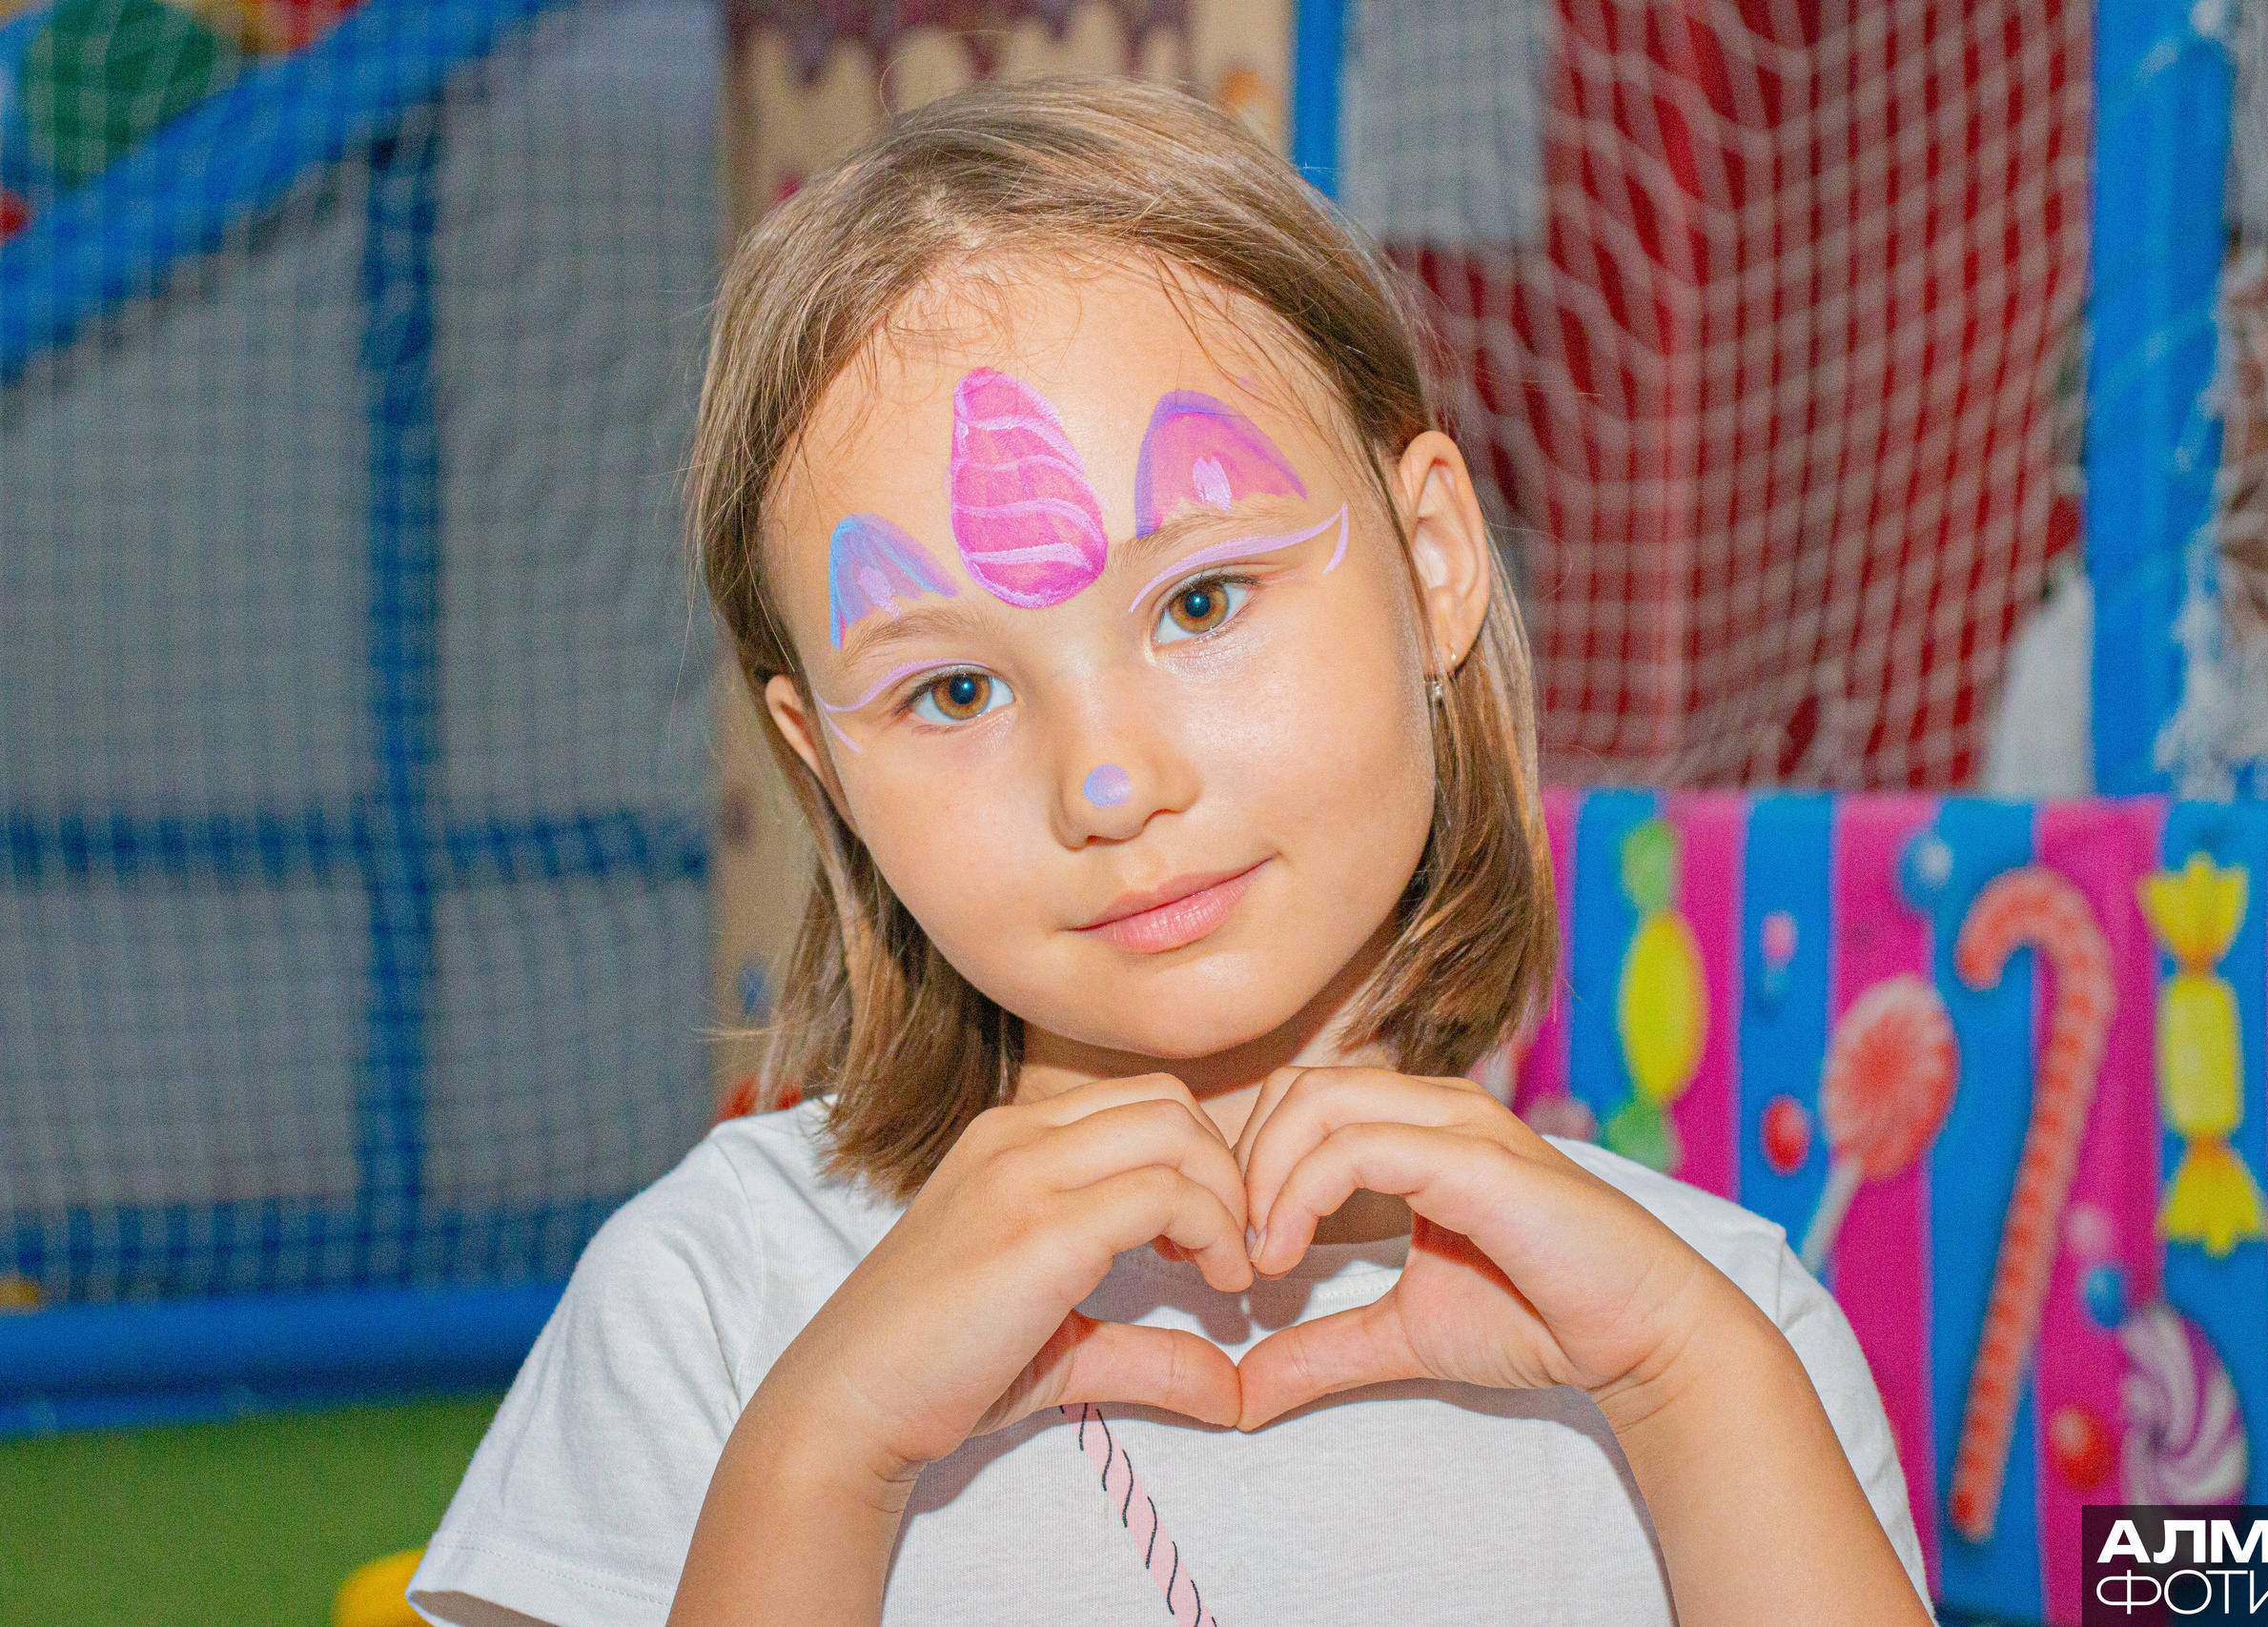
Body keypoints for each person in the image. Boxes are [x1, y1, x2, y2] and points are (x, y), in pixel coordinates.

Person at [407, 75, 1931, 1627]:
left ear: (1435, 564)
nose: (1110, 781)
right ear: (827, 770)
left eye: (1200, 603)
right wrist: (826, 1459)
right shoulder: (722, 1307)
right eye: (955, 689)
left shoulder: (1706, 1323)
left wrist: (1687, 1386)